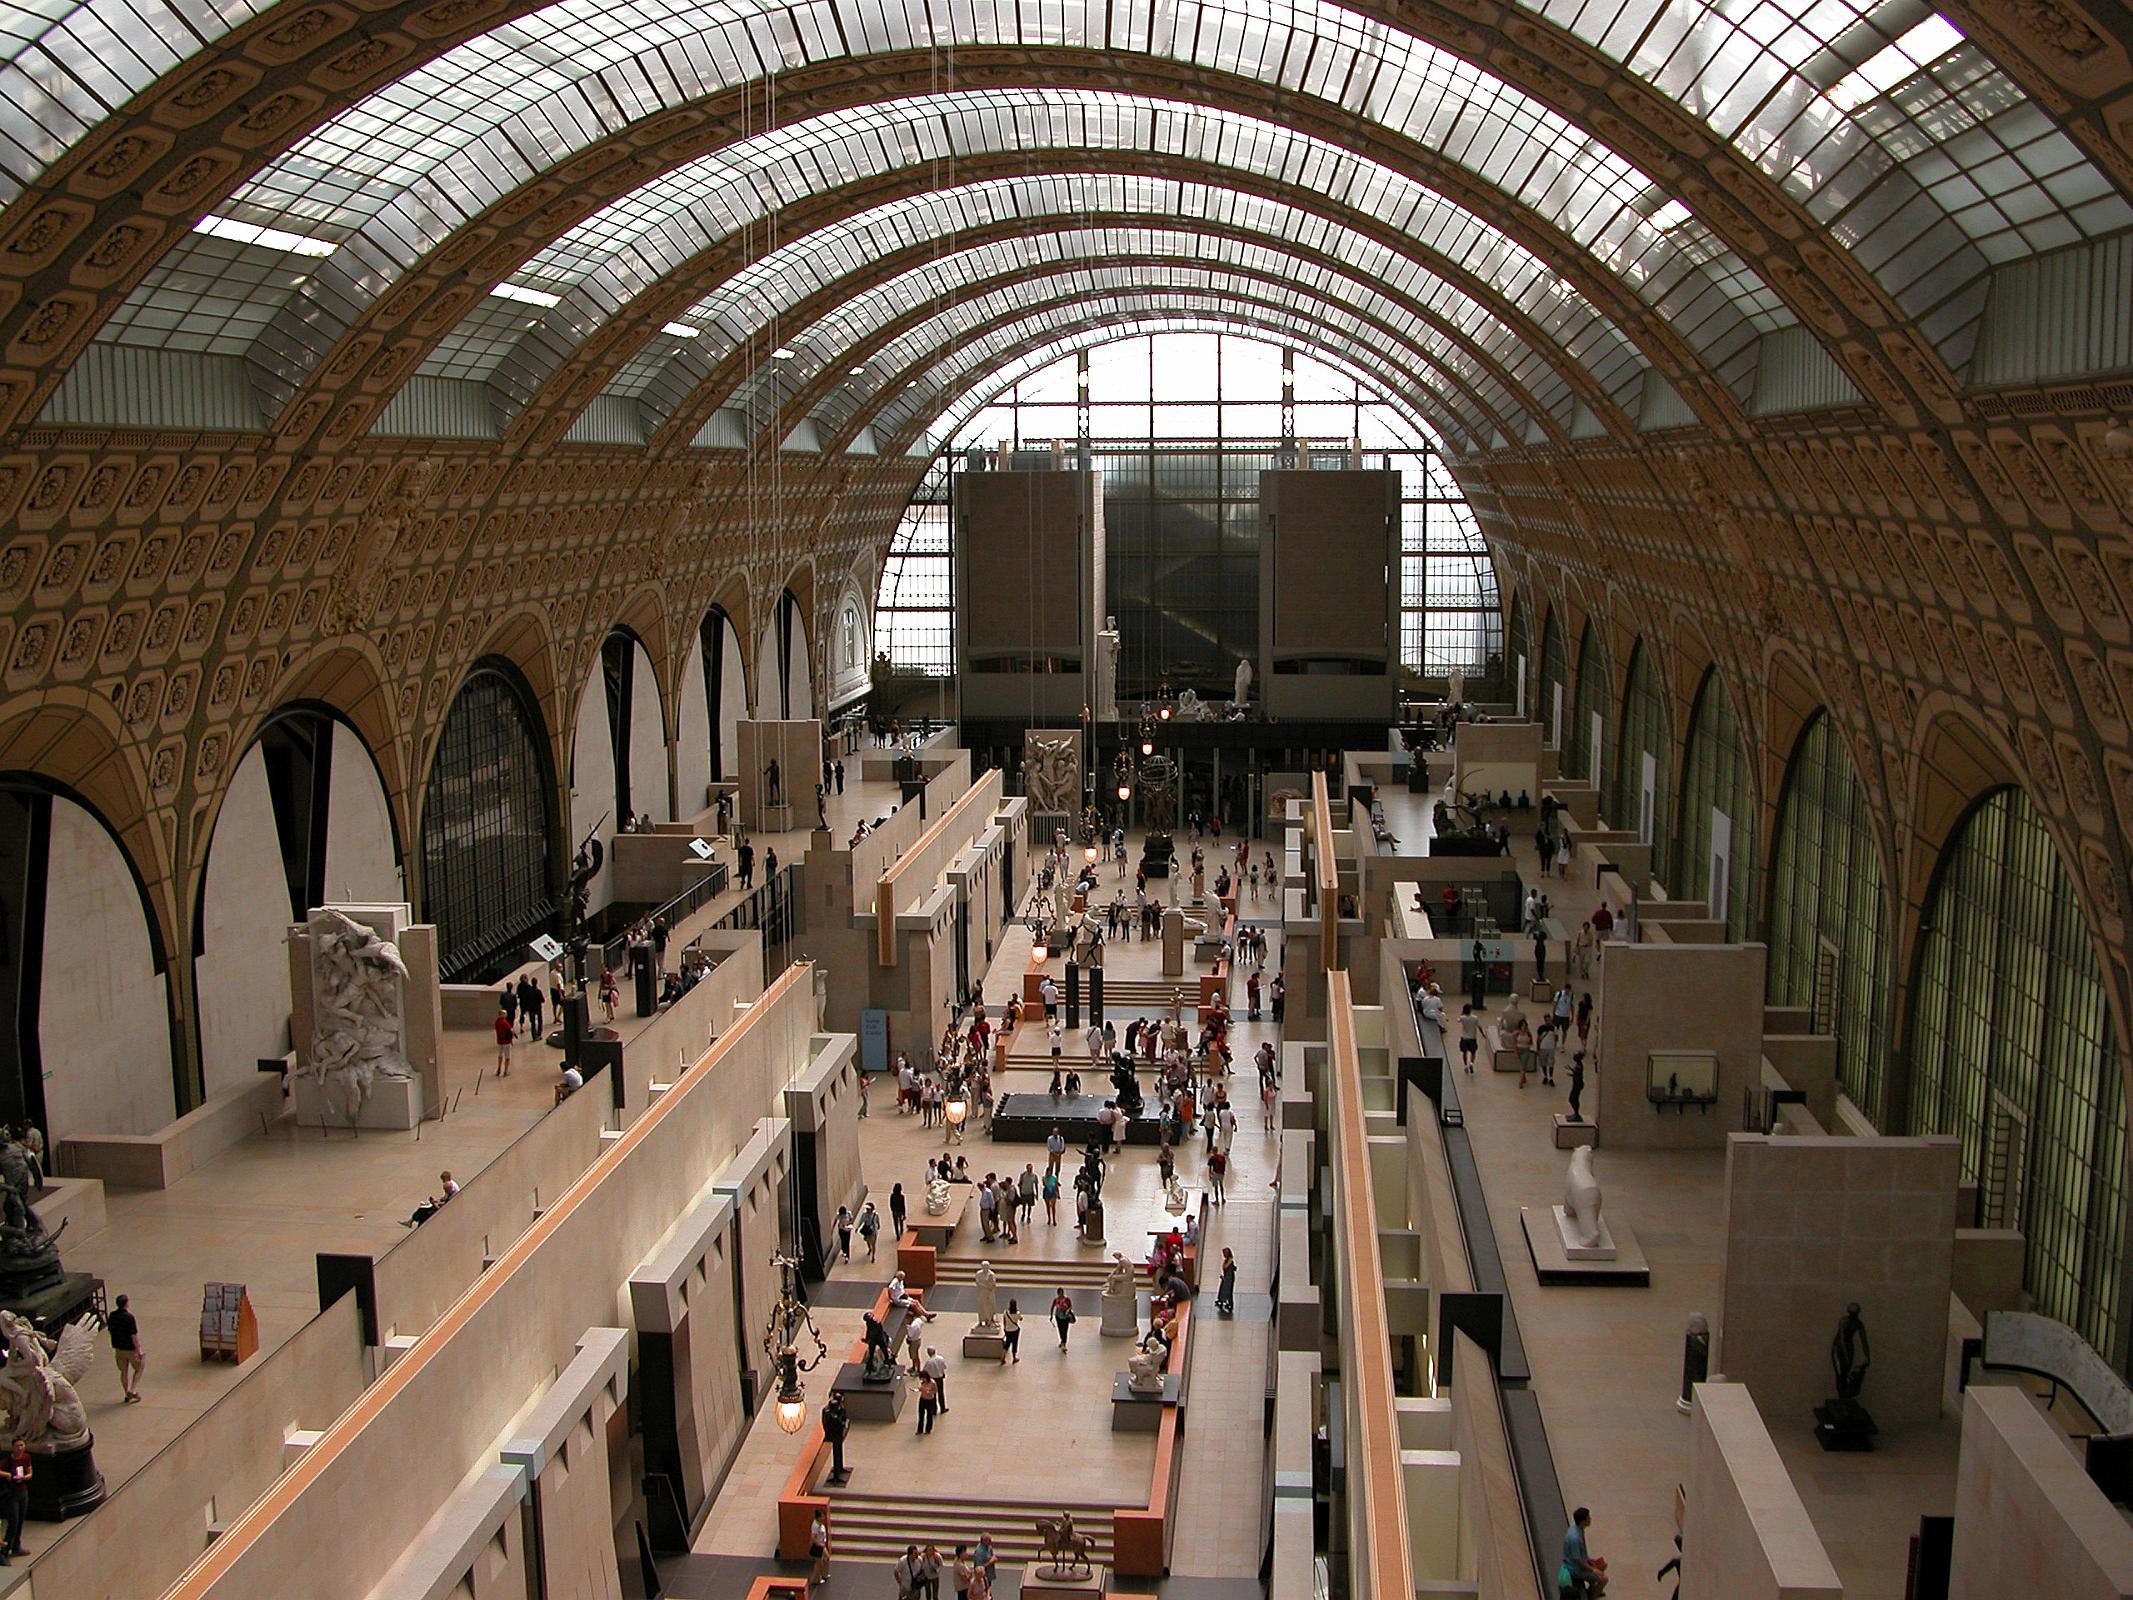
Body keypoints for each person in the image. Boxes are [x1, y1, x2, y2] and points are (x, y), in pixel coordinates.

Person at [1559, 1506, 1605, 1598]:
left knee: (1602, 1565)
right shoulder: (1574, 1538)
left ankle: (1592, 1588)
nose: (1590, 1519)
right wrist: (1592, 1569)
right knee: (1604, 1579)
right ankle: (1593, 1596)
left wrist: (1590, 1561)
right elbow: (1578, 1560)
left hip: (1580, 1562)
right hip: (1575, 1569)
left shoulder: (1576, 1528)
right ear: (1583, 1521)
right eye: (1588, 1517)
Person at [108, 1292, 144, 1402]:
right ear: (126, 1304)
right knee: (139, 1368)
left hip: (118, 1348)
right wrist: (139, 1350)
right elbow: (133, 1335)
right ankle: (132, 1390)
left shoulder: (112, 1316)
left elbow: (110, 1330)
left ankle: (126, 1392)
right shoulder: (129, 1317)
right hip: (130, 1348)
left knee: (124, 1371)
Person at [0, 1438, 25, 1560]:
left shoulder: (25, 1458)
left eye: (21, 1445)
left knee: (20, 1520)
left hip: (22, 1491)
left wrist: (25, 1477)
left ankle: (16, 1546)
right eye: (17, 1446)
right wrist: (8, 1475)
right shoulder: (7, 1461)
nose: (20, 1448)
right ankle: (4, 1550)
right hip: (11, 1494)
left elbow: (29, 1471)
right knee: (13, 1522)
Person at [821, 1391, 851, 1483]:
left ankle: (840, 1468)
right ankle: (836, 1476)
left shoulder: (836, 1409)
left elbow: (843, 1416)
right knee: (836, 1453)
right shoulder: (830, 1414)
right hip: (833, 1434)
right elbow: (839, 1423)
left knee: (839, 1450)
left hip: (837, 1433)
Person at [808, 1505, 832, 1592]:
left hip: (822, 1545)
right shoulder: (815, 1526)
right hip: (818, 1546)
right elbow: (813, 1538)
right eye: (822, 1516)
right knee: (818, 1563)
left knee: (827, 1558)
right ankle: (816, 1579)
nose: (824, 1517)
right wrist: (819, 1544)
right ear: (818, 1517)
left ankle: (824, 1574)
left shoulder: (820, 1524)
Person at [922, 1345, 949, 1413]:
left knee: (933, 1394)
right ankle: (942, 1408)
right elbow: (944, 1367)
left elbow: (925, 1371)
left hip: (932, 1379)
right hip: (940, 1378)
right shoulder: (940, 1358)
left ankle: (934, 1409)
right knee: (941, 1393)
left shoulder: (928, 1362)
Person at [493, 1002, 514, 1075]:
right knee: (507, 1056)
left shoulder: (497, 1022)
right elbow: (510, 1030)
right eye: (505, 1014)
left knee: (500, 1055)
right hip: (506, 1041)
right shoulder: (504, 1022)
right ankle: (505, 1071)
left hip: (499, 1040)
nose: (506, 1015)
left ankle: (498, 1069)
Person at [1458, 1004, 1479, 1074]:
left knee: (1464, 1052)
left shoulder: (1462, 1018)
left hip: (1464, 1038)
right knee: (1473, 1052)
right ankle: (1471, 1063)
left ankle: (1465, 1066)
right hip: (1472, 1038)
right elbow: (1479, 1026)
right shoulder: (1475, 1018)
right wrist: (1483, 1034)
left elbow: (1458, 1020)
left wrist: (1462, 1013)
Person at [1567, 1050, 1588, 1121]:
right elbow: (1576, 1073)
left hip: (1577, 1085)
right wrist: (1571, 1070)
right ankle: (1576, 1113)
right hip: (1576, 1084)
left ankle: (1576, 1114)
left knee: (1573, 1099)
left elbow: (1577, 1073)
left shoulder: (1579, 1065)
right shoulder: (1578, 1064)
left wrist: (1572, 1072)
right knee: (1573, 1099)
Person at [1216, 1246, 1237, 1314]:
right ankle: (1226, 1303)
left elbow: (1226, 1268)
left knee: (1226, 1291)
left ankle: (1226, 1302)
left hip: (1228, 1279)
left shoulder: (1229, 1261)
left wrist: (1224, 1278)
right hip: (1227, 1278)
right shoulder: (1227, 1261)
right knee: (1226, 1290)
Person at [1001, 1299, 1021, 1363]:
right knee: (1014, 1344)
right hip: (1015, 1330)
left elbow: (1004, 1321)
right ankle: (1014, 1358)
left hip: (1007, 1330)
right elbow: (1021, 1319)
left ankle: (1003, 1357)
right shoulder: (1017, 1313)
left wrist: (1004, 1328)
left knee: (1007, 1344)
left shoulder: (1006, 1312)